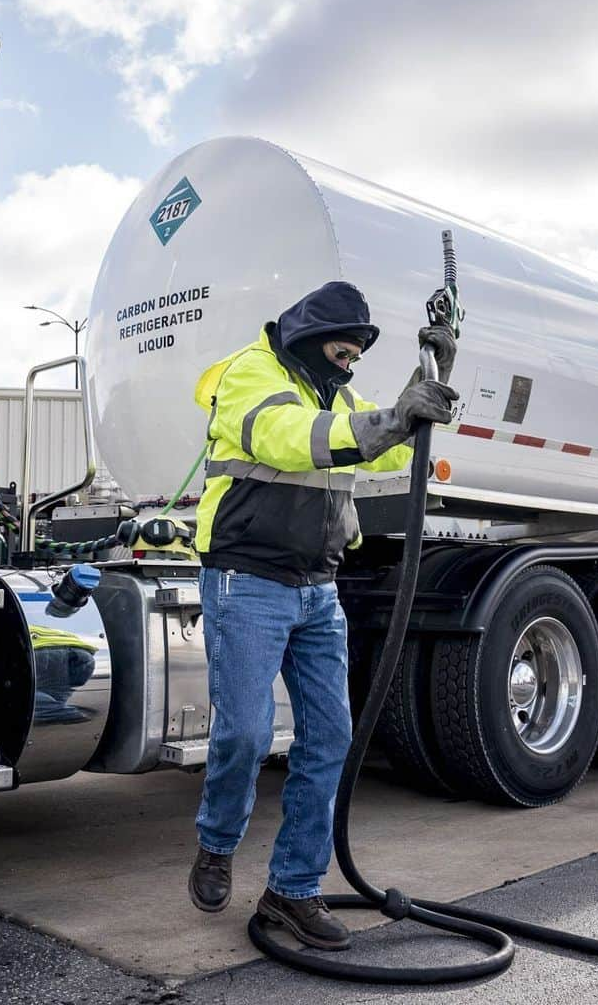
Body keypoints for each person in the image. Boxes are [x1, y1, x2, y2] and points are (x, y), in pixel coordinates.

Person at [188, 279, 458, 950]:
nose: (353, 360)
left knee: (330, 741)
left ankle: (293, 890)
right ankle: (218, 843)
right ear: (312, 333)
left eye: (362, 350)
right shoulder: (250, 375)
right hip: (246, 580)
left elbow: (392, 445)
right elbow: (289, 438)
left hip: (318, 589)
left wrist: (426, 384)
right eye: (347, 345)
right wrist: (391, 419)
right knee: (247, 736)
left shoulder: (333, 392)